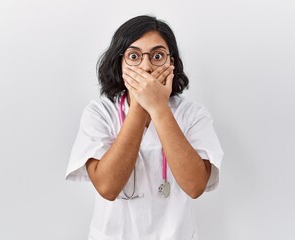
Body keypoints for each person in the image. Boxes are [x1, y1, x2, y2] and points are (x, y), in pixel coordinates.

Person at [65, 15, 224, 240]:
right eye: (134, 56)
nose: (146, 66)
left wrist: (159, 108)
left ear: (172, 63)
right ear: (119, 63)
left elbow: (195, 186)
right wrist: (141, 104)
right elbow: (108, 187)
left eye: (157, 56)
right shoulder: (99, 113)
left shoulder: (193, 115)